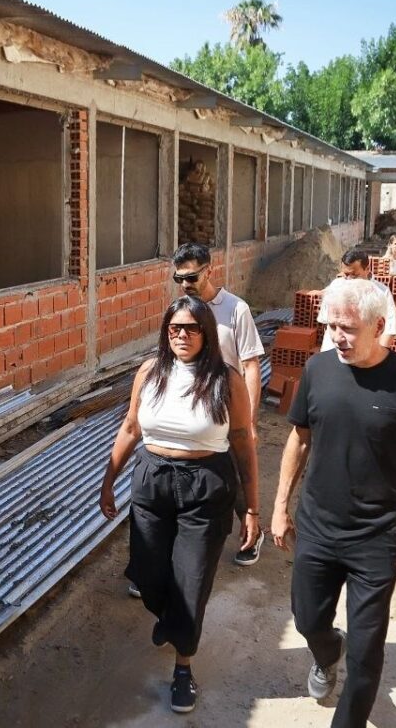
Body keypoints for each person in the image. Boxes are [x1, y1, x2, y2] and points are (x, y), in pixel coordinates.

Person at [271, 278, 396, 728]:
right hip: (318, 528)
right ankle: (327, 653)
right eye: (331, 327)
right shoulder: (318, 370)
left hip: (376, 536)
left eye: (346, 328)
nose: (337, 337)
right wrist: (279, 506)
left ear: (378, 325)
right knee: (307, 619)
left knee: (368, 653)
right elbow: (298, 439)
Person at [99, 296, 259, 714]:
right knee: (149, 575)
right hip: (152, 481)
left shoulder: (227, 380)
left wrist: (253, 508)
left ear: (206, 332)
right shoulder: (150, 372)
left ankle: (183, 667)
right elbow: (131, 426)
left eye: (190, 328)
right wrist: (108, 481)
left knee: (191, 582)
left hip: (205, 486)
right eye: (174, 328)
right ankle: (171, 621)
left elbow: (243, 442)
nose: (181, 335)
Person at [173, 242, 266, 566]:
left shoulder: (235, 309)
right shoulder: (182, 309)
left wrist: (250, 421)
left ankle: (251, 533)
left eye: (192, 277)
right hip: (192, 410)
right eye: (180, 279)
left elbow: (251, 365)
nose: (186, 285)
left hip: (228, 408)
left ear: (210, 270)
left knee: (238, 476)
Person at [318, 248, 396, 351]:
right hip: (333, 353)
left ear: (367, 269)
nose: (349, 280)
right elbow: (326, 321)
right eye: (346, 275)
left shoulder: (381, 292)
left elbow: (390, 330)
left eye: (354, 275)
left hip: (364, 358)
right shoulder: (335, 287)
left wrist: (377, 360)